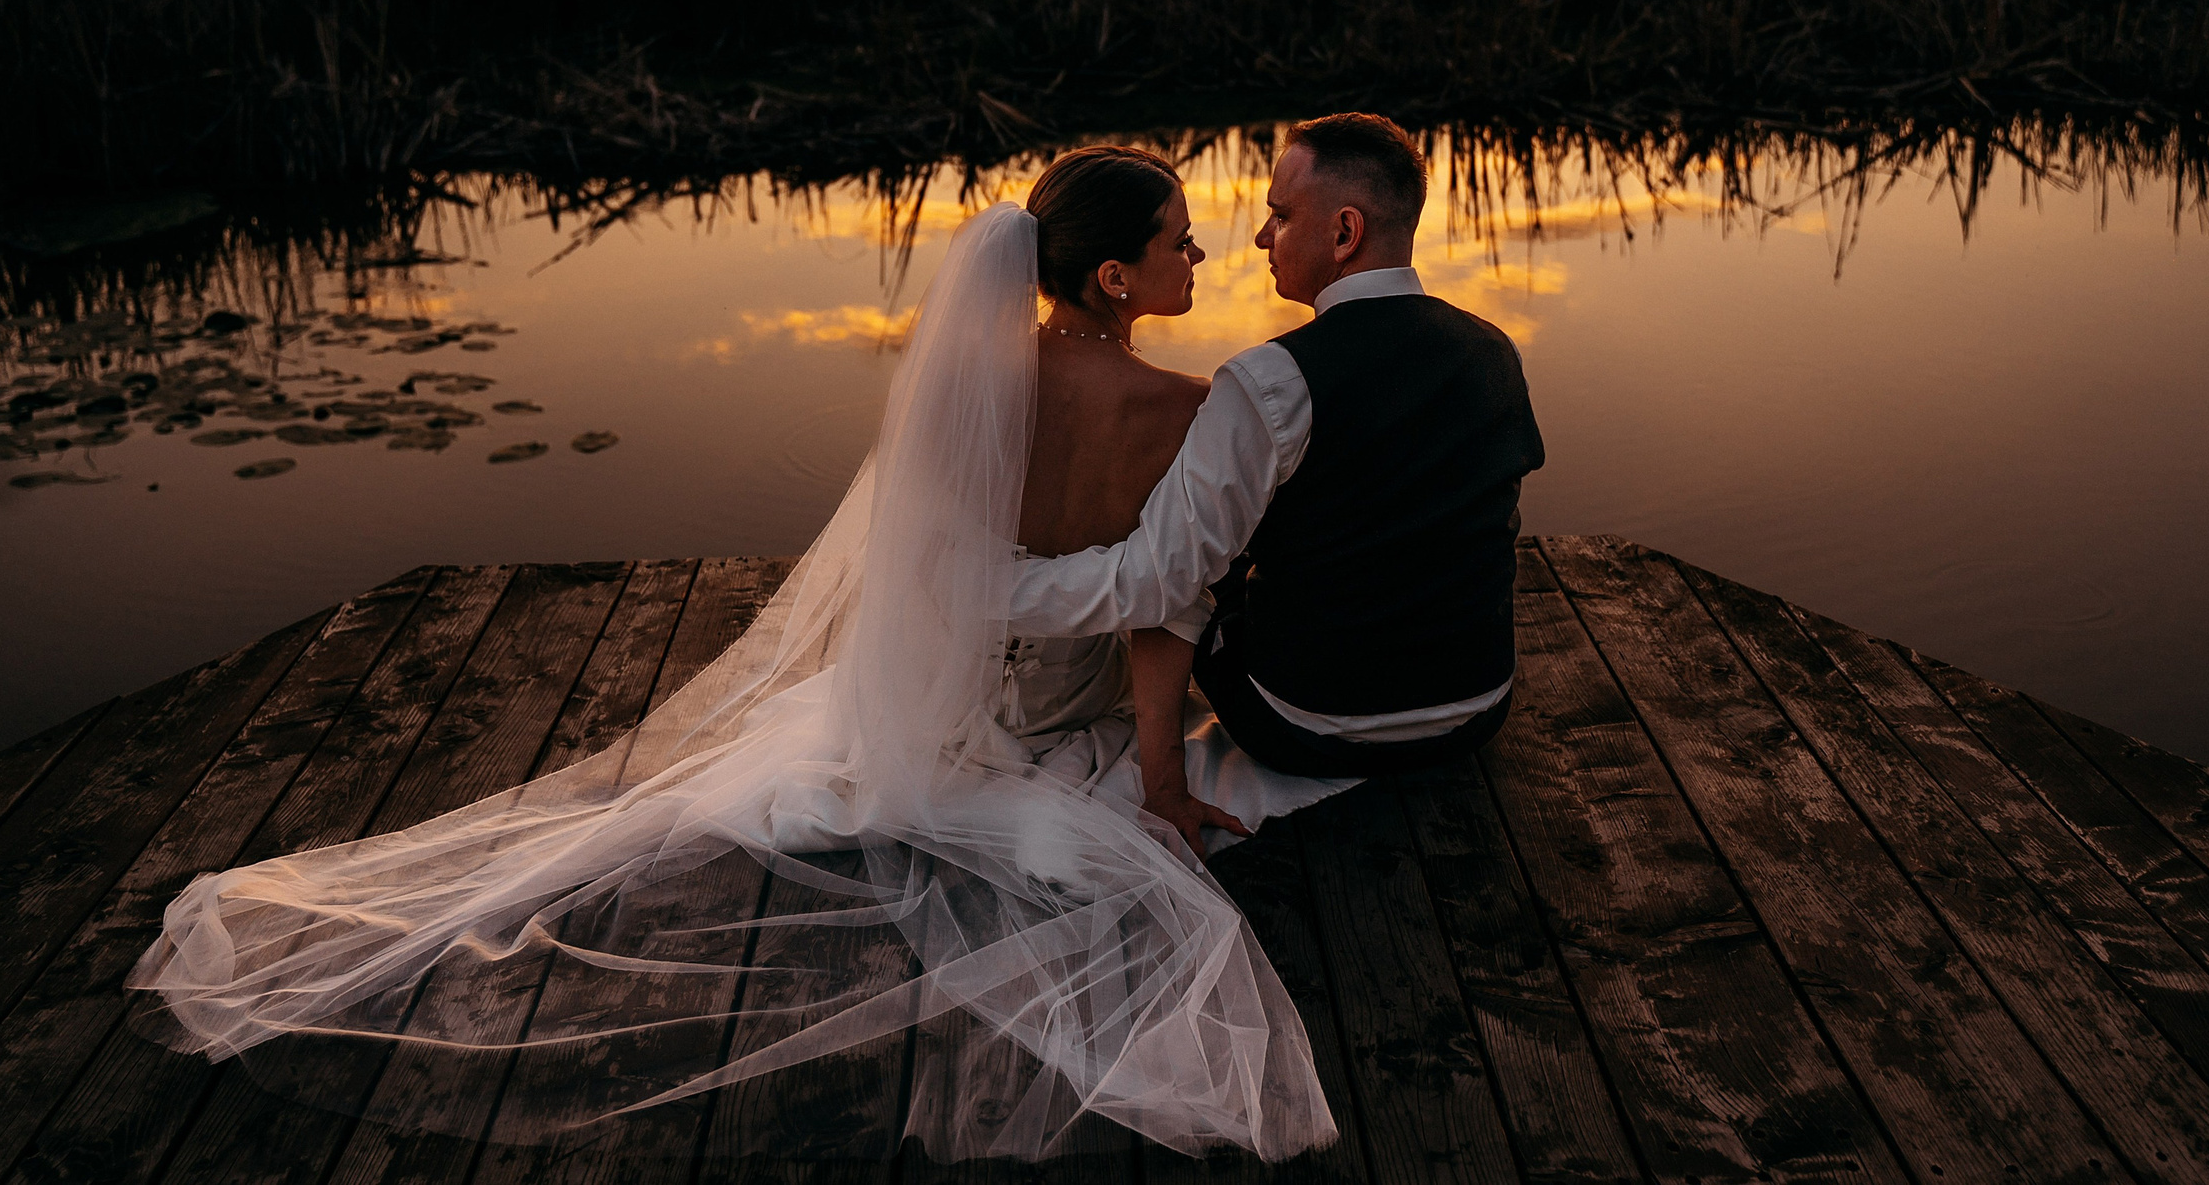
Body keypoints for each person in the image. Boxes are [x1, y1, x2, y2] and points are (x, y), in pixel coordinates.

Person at [126, 147, 1343, 1166]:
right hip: (1070, 723)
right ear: (1117, 273)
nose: (1203, 253)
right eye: (1182, 239)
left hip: (954, 705)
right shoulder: (1183, 408)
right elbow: (1155, 615)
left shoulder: (968, 381)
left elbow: (927, 570)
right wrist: (1161, 779)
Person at [1010, 113, 1545, 791]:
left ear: (1344, 232)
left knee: (1201, 566)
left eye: (1281, 217)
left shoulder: (1266, 380)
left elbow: (1165, 584)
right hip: (1477, 708)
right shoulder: (1495, 349)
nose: (1262, 236)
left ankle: (1162, 780)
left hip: (1306, 726)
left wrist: (983, 591)